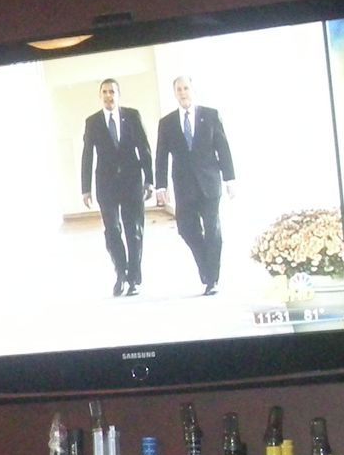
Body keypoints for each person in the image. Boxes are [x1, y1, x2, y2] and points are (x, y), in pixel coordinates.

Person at [154, 75, 236, 295]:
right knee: (187, 229)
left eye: (186, 88)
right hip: (183, 186)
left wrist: (230, 179)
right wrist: (160, 187)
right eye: (179, 89)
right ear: (175, 93)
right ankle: (205, 268)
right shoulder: (167, 123)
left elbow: (223, 147)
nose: (183, 93)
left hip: (209, 183)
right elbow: (161, 155)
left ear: (193, 89)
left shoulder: (210, 115)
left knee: (212, 229)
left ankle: (213, 279)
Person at [79, 77, 153, 297]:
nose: (109, 96)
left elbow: (144, 148)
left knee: (134, 230)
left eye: (112, 91)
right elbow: (87, 155)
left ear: (118, 95)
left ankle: (134, 279)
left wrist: (149, 179)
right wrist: (85, 188)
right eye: (105, 92)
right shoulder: (92, 121)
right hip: (106, 184)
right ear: (100, 96)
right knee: (112, 230)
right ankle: (121, 272)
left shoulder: (132, 116)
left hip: (132, 182)